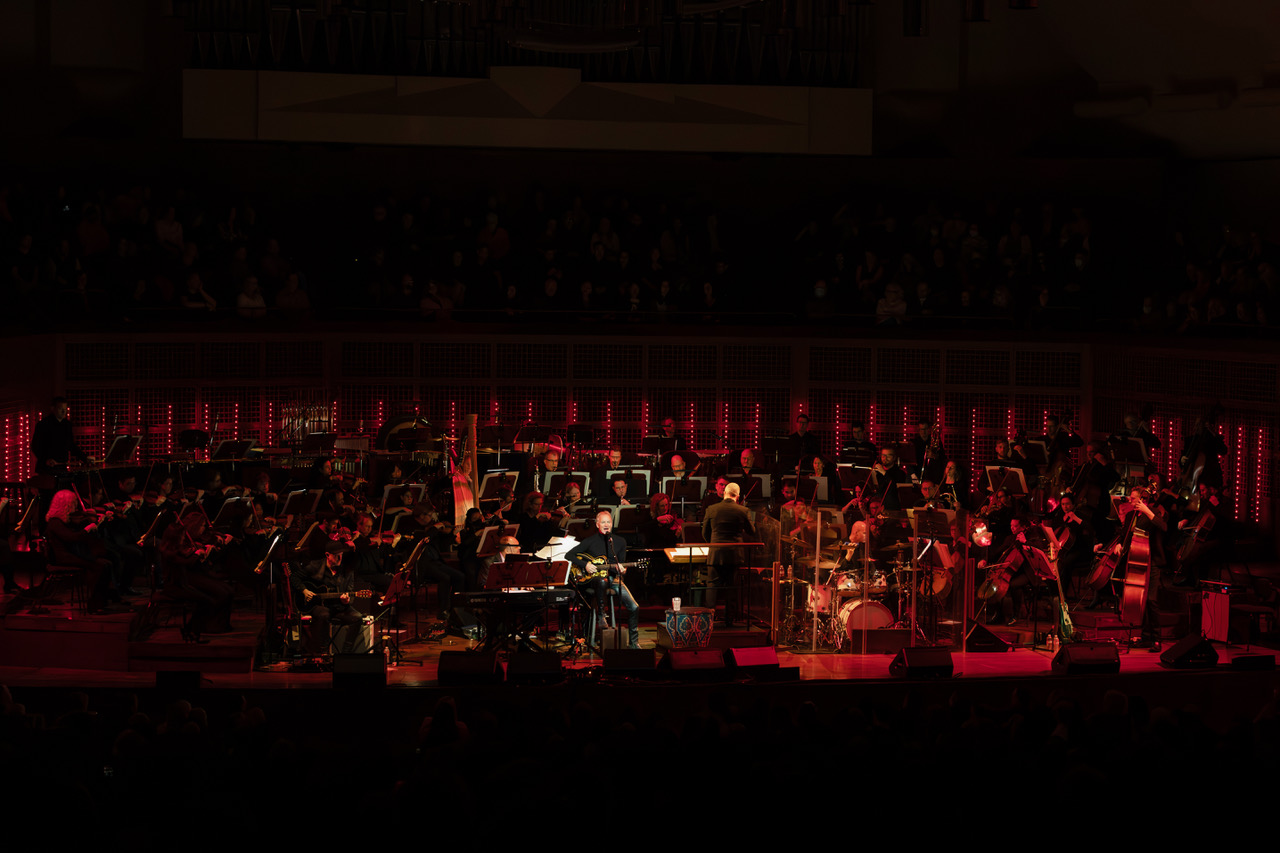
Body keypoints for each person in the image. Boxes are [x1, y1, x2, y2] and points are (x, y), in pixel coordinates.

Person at [566, 510, 640, 650]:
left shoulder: (619, 542)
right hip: (594, 580)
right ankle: (601, 615)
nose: (606, 525)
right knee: (602, 580)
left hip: (613, 578)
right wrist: (586, 565)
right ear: (597, 524)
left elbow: (621, 564)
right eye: (603, 522)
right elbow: (569, 555)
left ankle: (634, 643)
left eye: (609, 522)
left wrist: (622, 569)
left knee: (634, 606)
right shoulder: (590, 541)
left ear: (612, 524)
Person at [701, 481, 756, 626]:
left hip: (715, 554)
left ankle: (708, 621)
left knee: (712, 586)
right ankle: (729, 621)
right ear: (737, 496)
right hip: (734, 555)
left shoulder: (711, 509)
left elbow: (704, 532)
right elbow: (752, 531)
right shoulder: (742, 511)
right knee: (732, 587)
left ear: (724, 493)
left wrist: (713, 544)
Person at [31, 397, 90, 474]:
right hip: (46, 469)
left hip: (62, 467)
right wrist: (46, 460)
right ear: (53, 408)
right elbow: (35, 446)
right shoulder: (43, 424)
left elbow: (71, 445)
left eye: (65, 409)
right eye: (60, 409)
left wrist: (84, 458)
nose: (63, 412)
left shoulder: (67, 425)